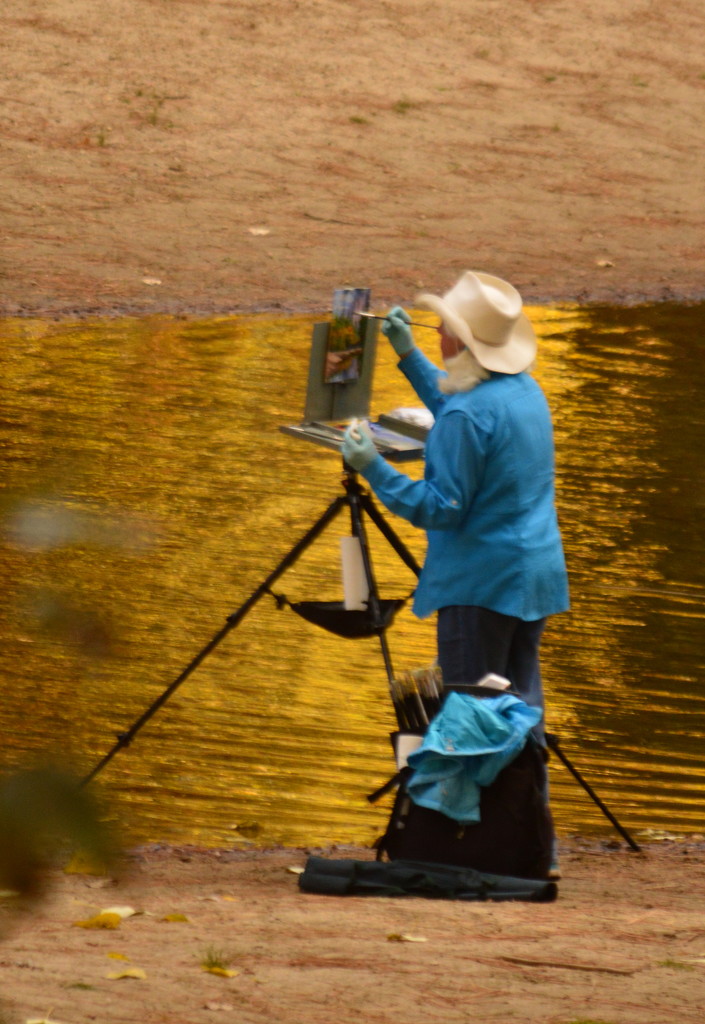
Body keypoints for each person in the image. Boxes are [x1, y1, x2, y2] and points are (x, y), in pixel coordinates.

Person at [341, 270, 570, 742]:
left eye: (444, 325)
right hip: (533, 579)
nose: (438, 330)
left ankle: (471, 815)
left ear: (462, 342)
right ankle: (527, 811)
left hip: (481, 587)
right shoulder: (525, 391)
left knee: (473, 723)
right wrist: (408, 354)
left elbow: (441, 507)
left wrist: (373, 467)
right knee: (522, 716)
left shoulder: (468, 415)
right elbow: (460, 408)